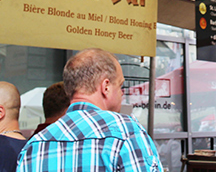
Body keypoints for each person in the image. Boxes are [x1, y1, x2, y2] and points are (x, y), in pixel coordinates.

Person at [17, 48, 163, 172]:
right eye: (120, 85)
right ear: (106, 87)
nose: (122, 92)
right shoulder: (126, 132)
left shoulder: (34, 147)